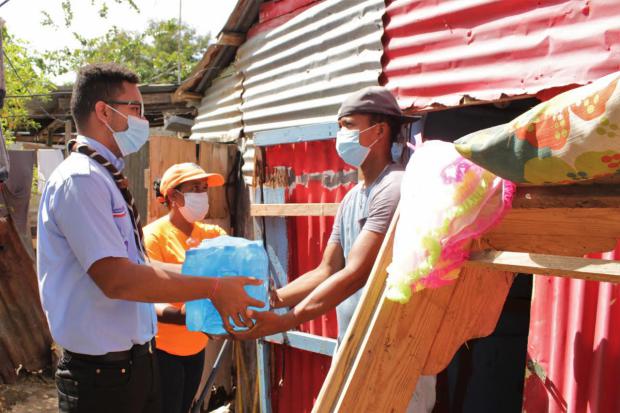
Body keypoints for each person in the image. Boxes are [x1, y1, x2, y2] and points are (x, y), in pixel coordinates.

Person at [37, 63, 262, 413]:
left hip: (134, 365)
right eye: (135, 109)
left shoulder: (104, 176)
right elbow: (118, 279)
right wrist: (213, 289)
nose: (144, 119)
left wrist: (213, 285)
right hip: (101, 378)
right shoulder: (80, 179)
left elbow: (138, 265)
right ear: (103, 112)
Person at [232, 86, 436, 412]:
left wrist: (285, 322)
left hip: (393, 350)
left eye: (349, 125)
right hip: (356, 344)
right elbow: (327, 269)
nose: (341, 134)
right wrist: (273, 300)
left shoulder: (394, 187)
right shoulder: (353, 196)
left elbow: (356, 274)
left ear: (380, 130)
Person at [143, 163, 227, 413]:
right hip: (162, 350)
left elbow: (228, 277)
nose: (202, 194)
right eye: (194, 188)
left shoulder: (213, 234)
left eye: (204, 188)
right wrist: (186, 317)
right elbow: (146, 298)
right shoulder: (153, 237)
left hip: (196, 347)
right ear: (173, 196)